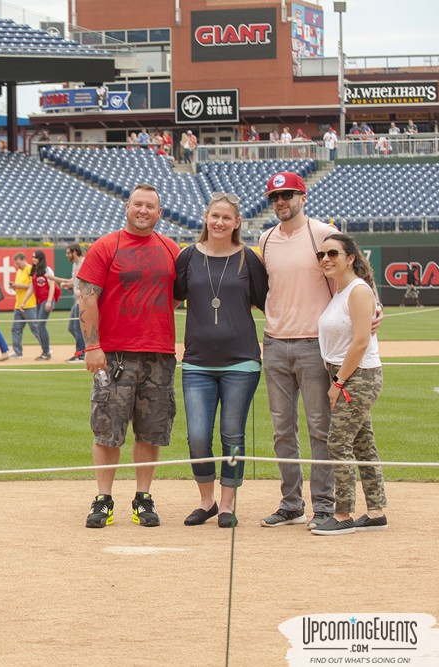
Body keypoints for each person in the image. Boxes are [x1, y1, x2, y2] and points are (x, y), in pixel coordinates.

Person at [79, 183, 180, 529]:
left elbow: (175, 295)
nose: (143, 211)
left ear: (159, 213)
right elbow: (87, 296)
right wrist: (92, 346)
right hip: (115, 355)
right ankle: (103, 498)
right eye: (138, 204)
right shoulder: (106, 246)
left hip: (159, 354)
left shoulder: (171, 249)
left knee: (151, 430)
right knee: (107, 427)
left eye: (150, 206)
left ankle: (143, 497)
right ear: (127, 207)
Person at [173, 193, 268, 528]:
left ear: (237, 222)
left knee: (232, 433)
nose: (219, 222)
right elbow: (172, 298)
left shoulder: (248, 258)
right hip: (197, 363)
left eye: (227, 217)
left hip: (241, 362)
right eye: (215, 216)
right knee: (198, 435)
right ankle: (207, 501)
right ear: (205, 217)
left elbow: (268, 301)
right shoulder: (187, 257)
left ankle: (227, 504)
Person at [258, 171, 340, 529]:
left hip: (313, 344)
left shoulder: (321, 233)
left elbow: (350, 273)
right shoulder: (265, 239)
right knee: (282, 430)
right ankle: (292, 504)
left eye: (288, 195)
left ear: (302, 197)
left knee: (320, 428)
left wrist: (374, 305)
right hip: (275, 343)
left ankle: (324, 505)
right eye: (275, 197)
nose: (281, 201)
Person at [312, 234, 387, 535]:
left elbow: (360, 342)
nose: (325, 259)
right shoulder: (341, 291)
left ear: (350, 258)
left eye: (333, 253)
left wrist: (339, 381)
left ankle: (342, 515)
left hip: (357, 375)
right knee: (362, 443)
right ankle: (376, 512)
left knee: (338, 442)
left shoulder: (357, 291)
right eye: (321, 255)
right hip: (348, 373)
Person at [19, 249, 58, 361]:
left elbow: (52, 286)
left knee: (41, 325)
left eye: (35, 257)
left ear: (40, 258)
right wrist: (23, 302)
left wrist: (49, 301)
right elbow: (31, 288)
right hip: (39, 301)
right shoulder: (35, 270)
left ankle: (46, 351)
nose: (33, 259)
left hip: (46, 299)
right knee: (39, 325)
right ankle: (44, 351)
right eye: (32, 257)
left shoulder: (47, 270)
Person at [9, 252, 39, 360]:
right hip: (18, 305)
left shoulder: (30, 269)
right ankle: (17, 352)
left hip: (29, 304)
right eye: (15, 264)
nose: (17, 265)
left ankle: (46, 348)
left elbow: (32, 286)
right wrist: (14, 286)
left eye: (18, 263)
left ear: (23, 260)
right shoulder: (19, 272)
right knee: (16, 328)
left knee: (35, 327)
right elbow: (20, 287)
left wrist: (18, 285)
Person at [60, 243, 86, 362]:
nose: (67, 255)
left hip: (83, 300)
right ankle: (83, 350)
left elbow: (88, 281)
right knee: (72, 327)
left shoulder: (83, 263)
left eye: (68, 253)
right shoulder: (75, 265)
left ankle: (80, 354)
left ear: (75, 252)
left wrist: (81, 291)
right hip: (76, 301)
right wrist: (68, 284)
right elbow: (75, 281)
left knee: (77, 328)